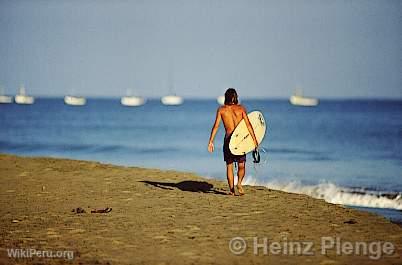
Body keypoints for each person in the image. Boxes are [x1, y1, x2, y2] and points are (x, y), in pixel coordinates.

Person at [208, 88, 258, 195]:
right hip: (240, 139)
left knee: (229, 165)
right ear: (235, 97)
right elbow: (248, 125)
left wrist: (211, 141)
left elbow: (216, 126)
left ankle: (231, 190)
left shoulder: (222, 110)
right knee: (241, 164)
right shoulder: (241, 109)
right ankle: (239, 183)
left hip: (228, 138)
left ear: (226, 97)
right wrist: (254, 140)